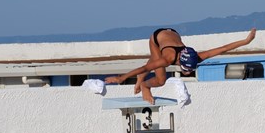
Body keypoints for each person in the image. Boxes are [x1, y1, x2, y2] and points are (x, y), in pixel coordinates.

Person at [105, 27, 256, 103]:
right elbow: (144, 68)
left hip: (172, 35)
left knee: (155, 62)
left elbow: (222, 49)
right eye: (185, 70)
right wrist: (120, 78)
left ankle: (140, 80)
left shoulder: (197, 57)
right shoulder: (168, 59)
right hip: (157, 39)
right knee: (161, 78)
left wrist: (246, 41)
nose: (186, 73)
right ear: (180, 63)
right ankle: (144, 85)